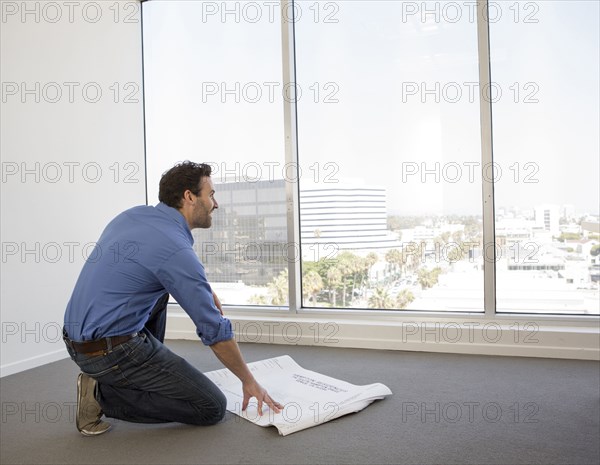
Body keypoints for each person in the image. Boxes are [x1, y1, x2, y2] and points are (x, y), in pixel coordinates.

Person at [63, 161, 282, 436]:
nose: (216, 204)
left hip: (76, 340)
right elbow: (214, 331)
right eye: (211, 194)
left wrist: (203, 289)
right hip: (109, 352)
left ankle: (141, 368)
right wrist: (249, 381)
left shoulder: (132, 216)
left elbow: (141, 269)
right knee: (211, 406)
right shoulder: (173, 248)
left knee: (160, 289)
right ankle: (102, 394)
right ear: (189, 197)